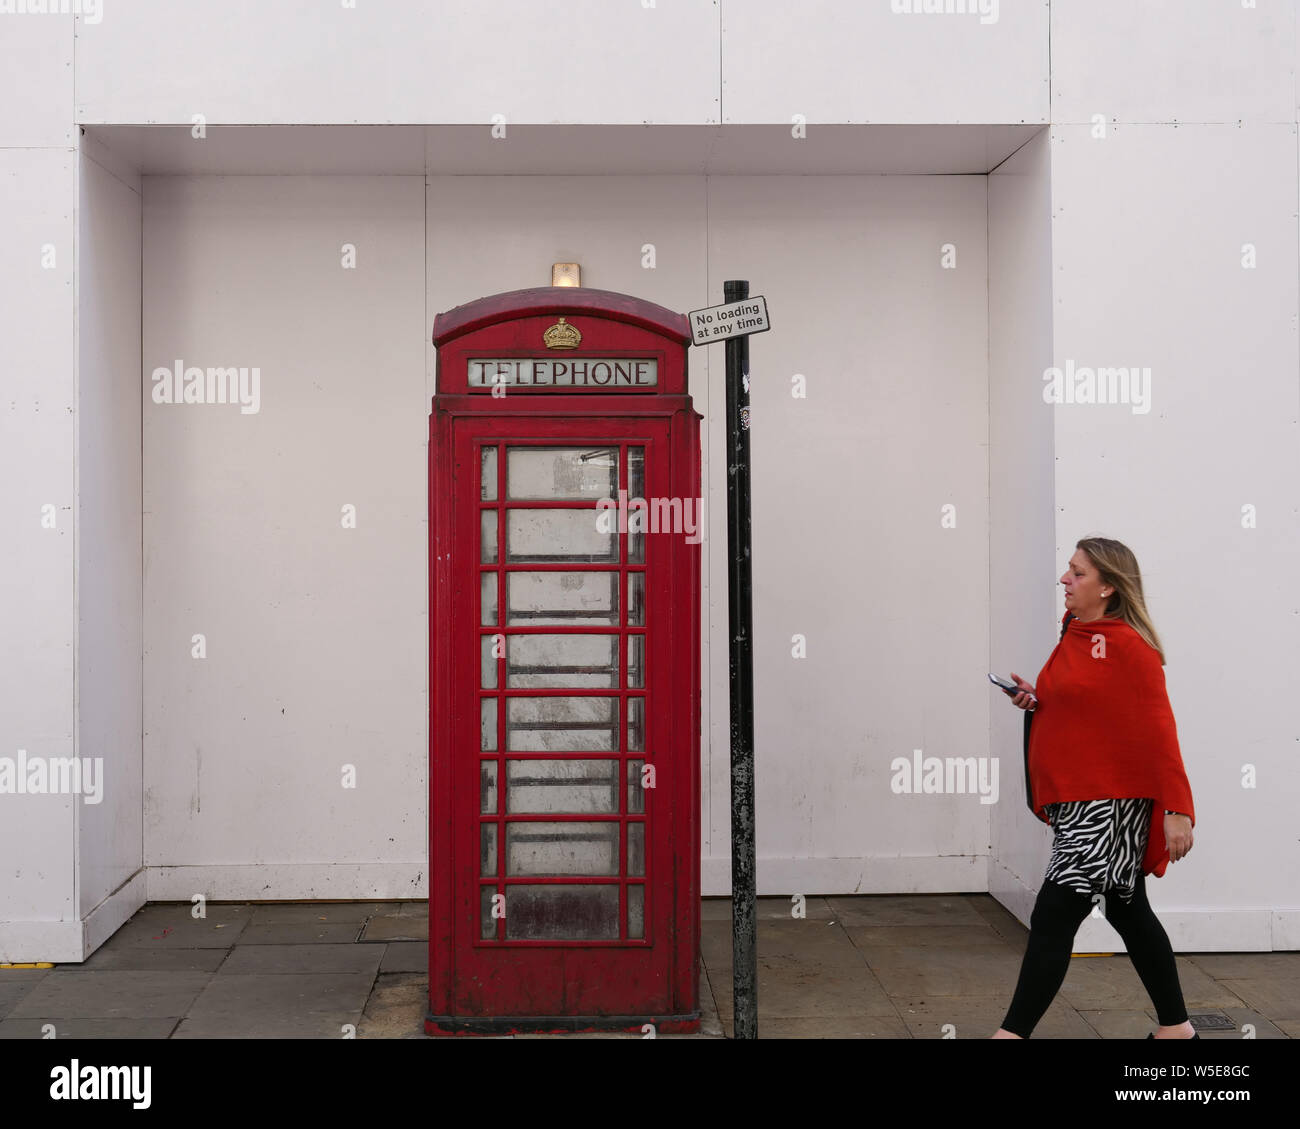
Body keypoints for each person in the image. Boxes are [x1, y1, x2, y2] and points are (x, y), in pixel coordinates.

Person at [991, 537, 1197, 1040]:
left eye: (1077, 573)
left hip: (1109, 805)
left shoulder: (1130, 647)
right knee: (1128, 910)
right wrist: (1036, 699)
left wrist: (1177, 808)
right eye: (1068, 570)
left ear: (1108, 587)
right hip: (1083, 801)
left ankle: (1011, 1036)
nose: (1065, 579)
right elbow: (1088, 705)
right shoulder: (1078, 633)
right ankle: (1177, 1031)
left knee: (1054, 913)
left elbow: (1158, 729)